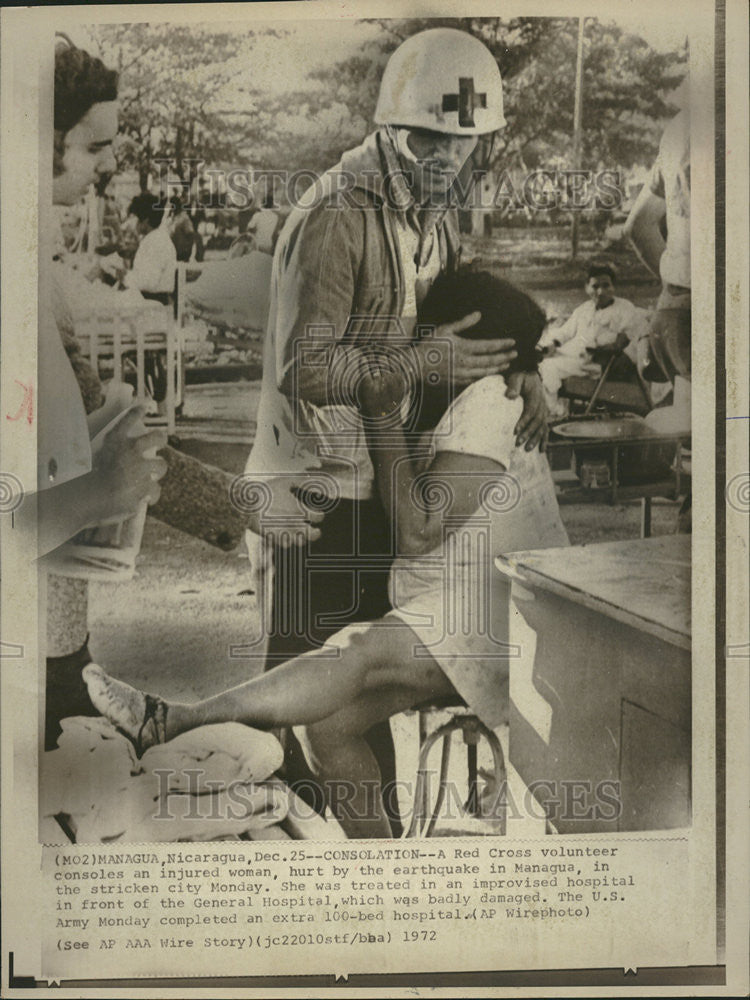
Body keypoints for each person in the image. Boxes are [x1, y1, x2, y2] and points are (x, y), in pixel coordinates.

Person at [84, 271, 569, 838]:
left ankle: (171, 717)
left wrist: (381, 408)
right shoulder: (478, 392)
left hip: (510, 616)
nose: (416, 350)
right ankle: (380, 881)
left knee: (356, 650)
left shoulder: (492, 397)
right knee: (329, 726)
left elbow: (417, 530)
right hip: (477, 609)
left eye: (428, 337)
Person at [241, 27, 548, 835]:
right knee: (297, 710)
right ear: (387, 125)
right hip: (318, 494)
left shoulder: (430, 209)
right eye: (427, 140)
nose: (445, 159)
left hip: (377, 480)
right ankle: (296, 873)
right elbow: (303, 370)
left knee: (349, 704)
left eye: (463, 142)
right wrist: (418, 363)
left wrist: (526, 361)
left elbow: (469, 307)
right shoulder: (340, 214)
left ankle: (367, 879)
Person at [33, 42, 168, 749]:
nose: (111, 164)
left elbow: (100, 420)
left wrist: (238, 506)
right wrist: (95, 495)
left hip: (58, 632)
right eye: (96, 145)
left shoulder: (41, 265)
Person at [624, 108, 691, 384]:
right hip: (719, 314)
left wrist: (675, 286)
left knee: (689, 421)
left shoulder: (681, 126)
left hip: (674, 312)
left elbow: (638, 226)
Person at [538, 261, 648, 417]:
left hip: (598, 362)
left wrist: (604, 349)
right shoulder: (584, 309)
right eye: (595, 286)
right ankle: (552, 408)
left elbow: (626, 338)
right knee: (542, 362)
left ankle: (555, 411)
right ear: (587, 288)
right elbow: (565, 332)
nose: (601, 291)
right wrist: (553, 345)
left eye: (606, 285)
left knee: (549, 367)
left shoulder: (624, 308)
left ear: (613, 287)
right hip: (576, 356)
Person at [123, 193, 178, 306]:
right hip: (151, 300)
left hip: (154, 302)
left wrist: (123, 276)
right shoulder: (153, 238)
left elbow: (149, 282)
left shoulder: (156, 242)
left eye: (136, 219)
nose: (134, 223)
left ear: (146, 221)